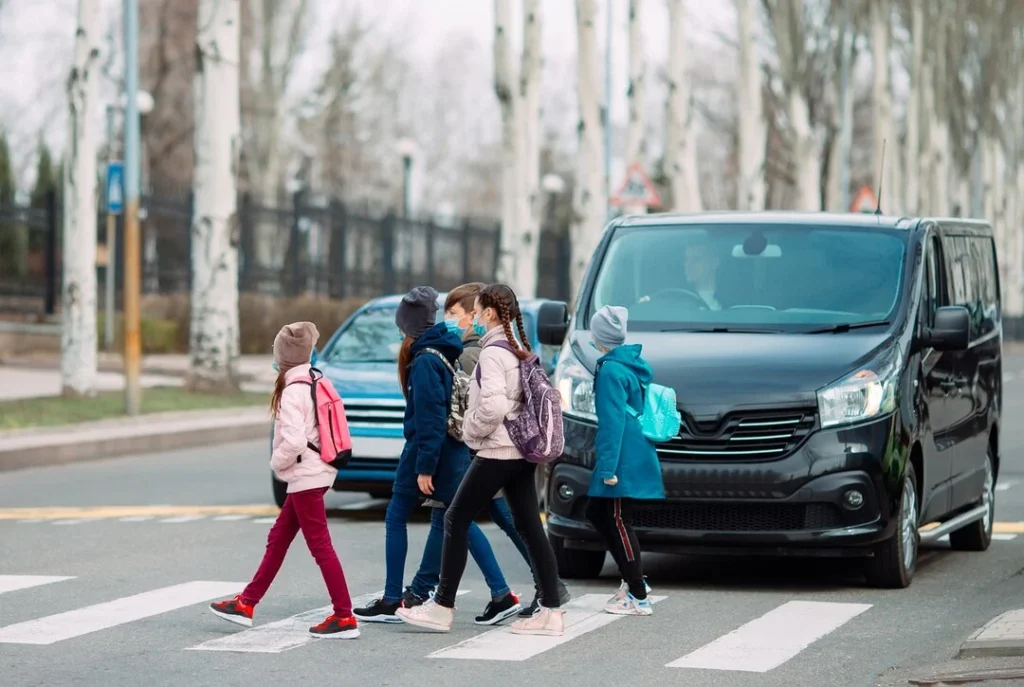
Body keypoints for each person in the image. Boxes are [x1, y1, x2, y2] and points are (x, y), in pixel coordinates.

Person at [397, 283, 565, 635]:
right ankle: (551, 608)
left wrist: (471, 430)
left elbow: (493, 404)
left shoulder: (491, 353)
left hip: (498, 450)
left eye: (476, 311)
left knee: (455, 518)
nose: (470, 318)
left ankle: (442, 606)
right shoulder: (517, 346)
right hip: (521, 450)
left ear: (489, 313)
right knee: (530, 525)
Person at [354, 286, 518, 624]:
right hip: (449, 451)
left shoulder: (426, 359)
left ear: (409, 325)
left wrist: (424, 466)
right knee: (460, 521)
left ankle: (390, 597)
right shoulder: (440, 349)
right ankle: (500, 592)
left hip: (428, 452)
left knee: (399, 516)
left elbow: (430, 418)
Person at [209, 322, 359, 639]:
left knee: (320, 546)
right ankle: (246, 603)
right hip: (318, 470)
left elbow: (292, 442)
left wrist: (276, 464)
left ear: (283, 358)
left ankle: (344, 616)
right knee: (279, 538)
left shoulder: (292, 391)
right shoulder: (315, 379)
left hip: (307, 474)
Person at [586, 305, 665, 615]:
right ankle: (633, 578)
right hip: (634, 449)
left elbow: (612, 421)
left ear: (599, 336)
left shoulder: (610, 370)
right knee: (597, 511)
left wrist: (607, 467)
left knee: (618, 519)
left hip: (622, 455)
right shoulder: (629, 364)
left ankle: (638, 594)